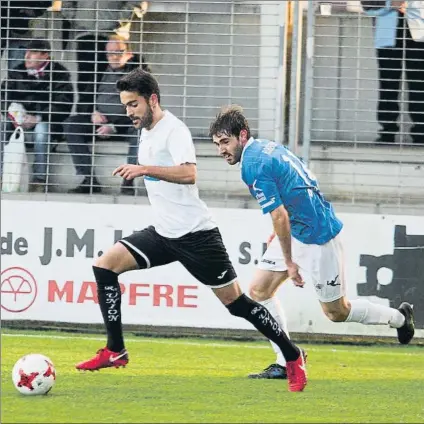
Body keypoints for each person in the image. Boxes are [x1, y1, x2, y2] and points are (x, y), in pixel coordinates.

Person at [75, 69, 307, 393]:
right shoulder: (145, 130)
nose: (128, 112)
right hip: (163, 233)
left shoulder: (174, 130)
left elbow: (189, 174)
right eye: (125, 105)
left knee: (237, 304)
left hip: (197, 236)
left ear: (152, 99)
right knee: (104, 266)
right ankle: (116, 350)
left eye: (133, 104)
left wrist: (144, 169)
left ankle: (292, 355)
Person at [209, 105, 415, 377]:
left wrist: (290, 261)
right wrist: (286, 233)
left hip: (319, 237)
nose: (221, 150)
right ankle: (287, 359)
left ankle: (400, 318)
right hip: (299, 230)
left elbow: (279, 214)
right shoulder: (267, 148)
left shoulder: (253, 164)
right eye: (217, 144)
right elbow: (301, 184)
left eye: (225, 142)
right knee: (258, 291)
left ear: (242, 135)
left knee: (336, 312)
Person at [64, 34, 149, 195]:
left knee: (141, 129)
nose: (113, 57)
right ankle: (89, 180)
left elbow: (144, 109)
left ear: (129, 53)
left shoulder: (139, 74)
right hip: (99, 122)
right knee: (72, 124)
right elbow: (84, 98)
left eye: (118, 52)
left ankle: (128, 182)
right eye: (109, 53)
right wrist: (91, 114)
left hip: (126, 124)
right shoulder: (98, 69)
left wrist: (114, 126)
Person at [1, 39, 74, 192]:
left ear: (45, 56)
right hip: (19, 121)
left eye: (32, 53)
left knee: (41, 131)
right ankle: (4, 176)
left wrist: (39, 118)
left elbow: (64, 104)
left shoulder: (59, 73)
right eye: (26, 52)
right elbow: (2, 97)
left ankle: (39, 179)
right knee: (2, 127)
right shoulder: (17, 72)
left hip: (47, 121)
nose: (26, 56)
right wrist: (15, 114)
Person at [361, 1, 424, 144]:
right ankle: (387, 132)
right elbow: (367, 5)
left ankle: (420, 133)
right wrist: (390, 4)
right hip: (387, 37)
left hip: (419, 36)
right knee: (388, 84)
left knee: (419, 85)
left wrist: (410, 5)